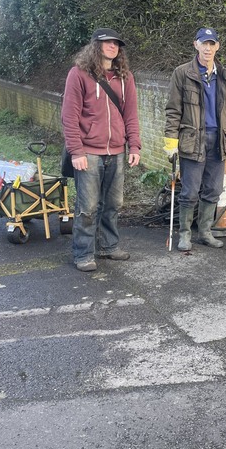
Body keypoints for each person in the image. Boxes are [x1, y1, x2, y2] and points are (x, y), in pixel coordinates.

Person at [61, 28, 141, 272]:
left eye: (116, 43)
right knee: (87, 206)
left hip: (116, 151)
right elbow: (69, 116)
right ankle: (83, 253)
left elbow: (131, 114)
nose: (113, 47)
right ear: (95, 46)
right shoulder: (78, 74)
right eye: (107, 43)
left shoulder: (125, 77)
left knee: (113, 203)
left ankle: (108, 246)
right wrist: (76, 151)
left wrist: (134, 145)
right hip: (89, 152)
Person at [163, 28, 226, 251]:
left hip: (219, 142)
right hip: (192, 140)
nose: (208, 48)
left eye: (212, 44)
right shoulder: (182, 73)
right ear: (195, 45)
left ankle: (205, 232)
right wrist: (171, 141)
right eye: (203, 43)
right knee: (189, 191)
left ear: (217, 46)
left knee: (213, 190)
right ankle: (185, 234)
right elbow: (173, 110)